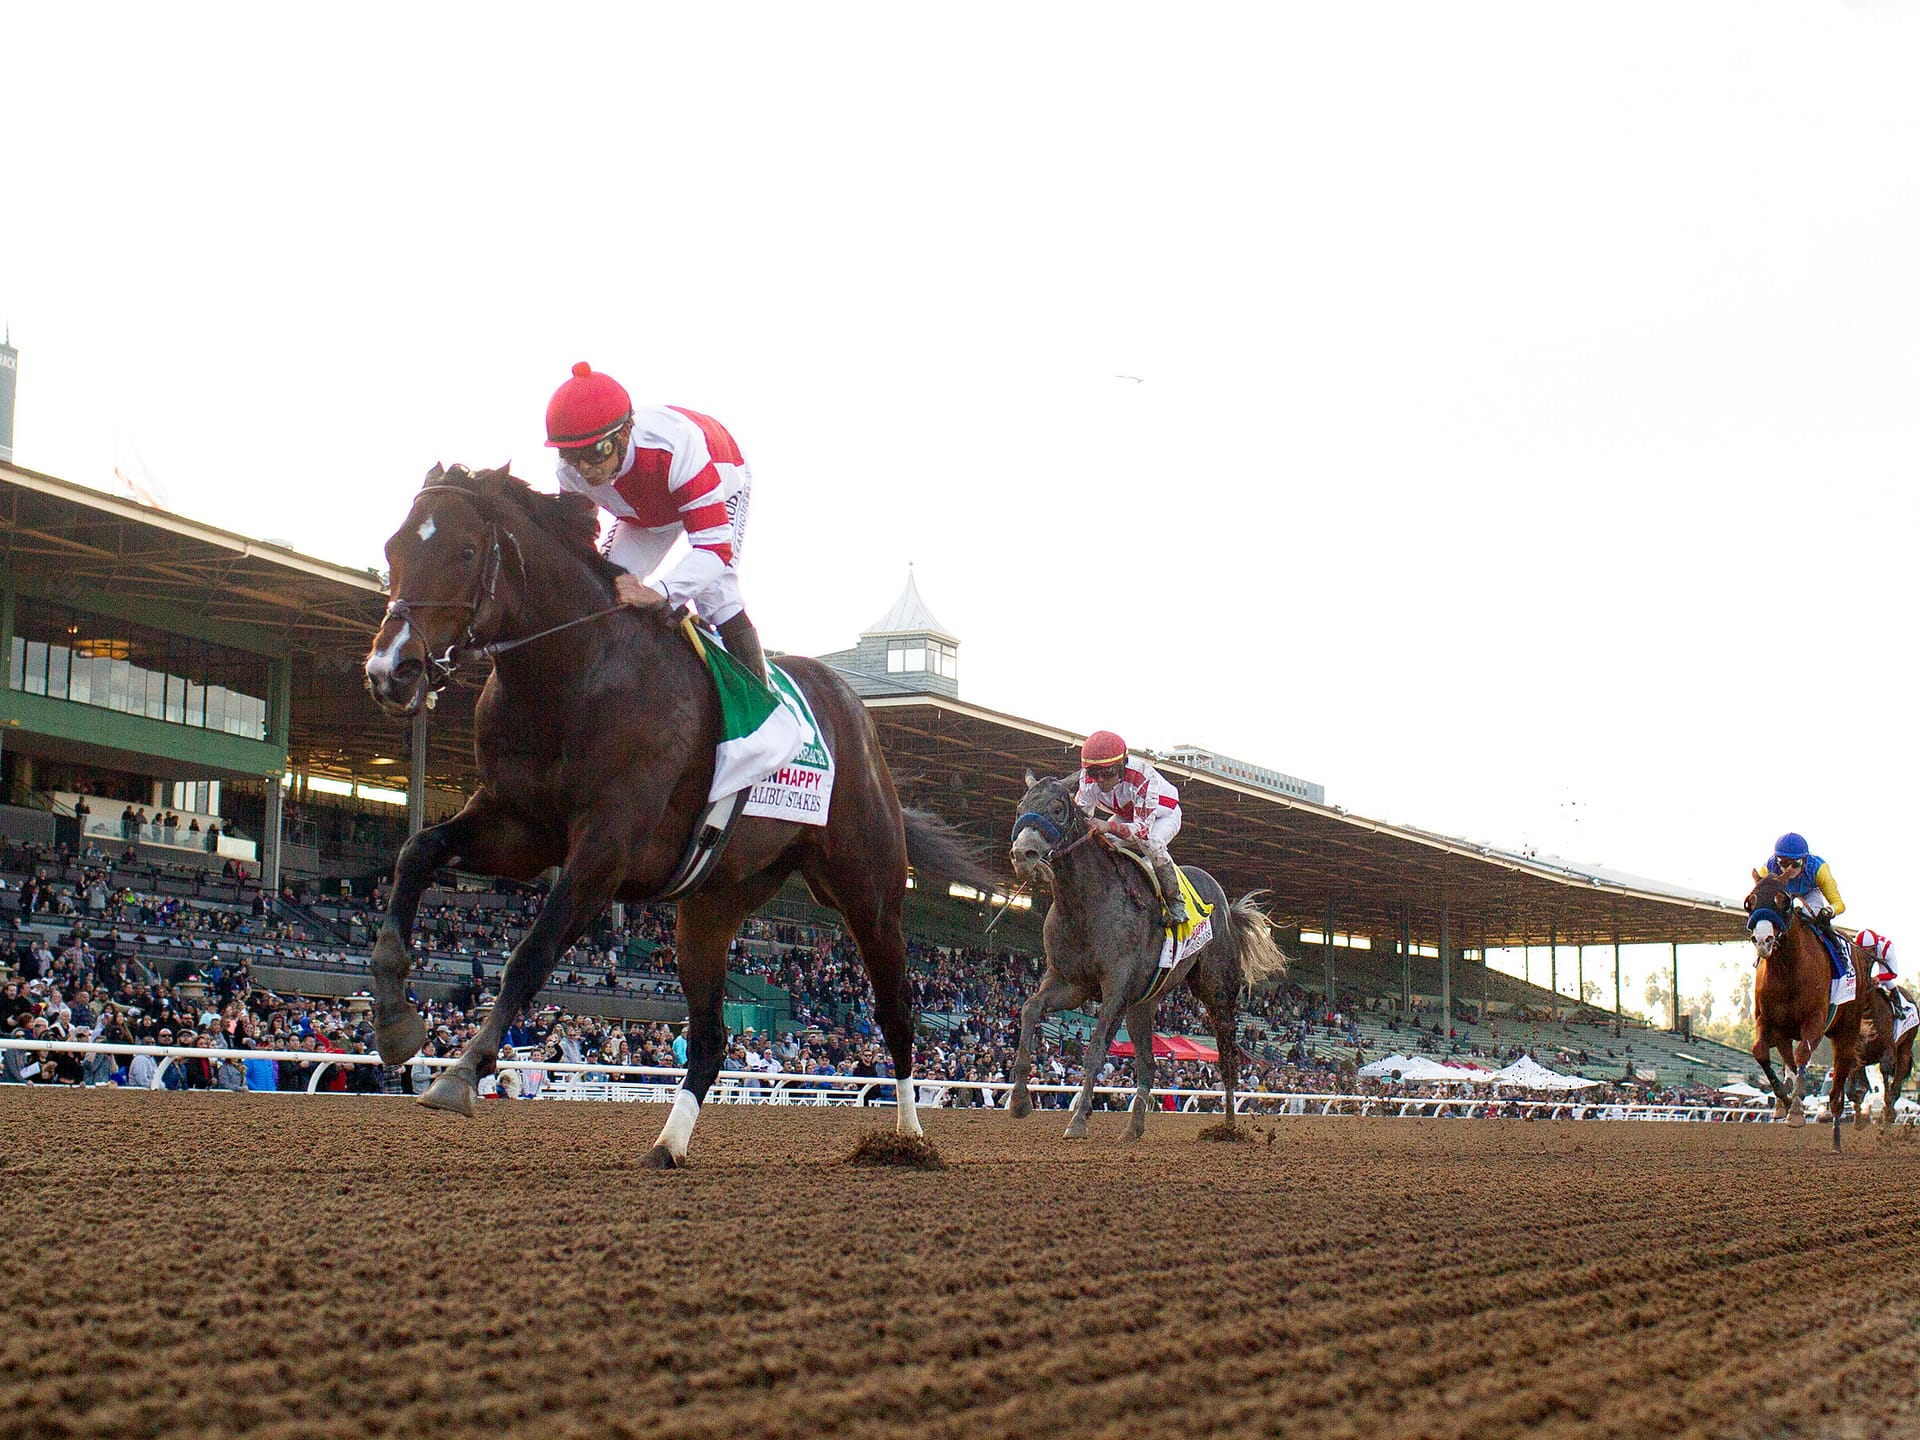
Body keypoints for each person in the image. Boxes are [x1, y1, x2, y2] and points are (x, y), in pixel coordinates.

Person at [543, 361, 769, 684]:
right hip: (646, 514)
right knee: (608, 588)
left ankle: (765, 709)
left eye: (597, 451)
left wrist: (661, 593)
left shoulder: (678, 448)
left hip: (719, 476)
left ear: (624, 433)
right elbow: (578, 537)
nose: (586, 470)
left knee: (716, 597)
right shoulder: (570, 472)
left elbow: (714, 549)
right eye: (570, 454)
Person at [1074, 731, 1188, 927]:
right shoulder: (1087, 780)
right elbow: (1080, 817)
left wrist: (1108, 825)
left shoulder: (1143, 777)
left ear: (1122, 766)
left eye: (1107, 773)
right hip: (1126, 814)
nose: (1100, 779)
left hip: (1162, 815)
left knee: (1151, 844)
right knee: (1097, 843)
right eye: (1094, 773)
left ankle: (1175, 902)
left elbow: (1142, 829)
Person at [1764, 833, 1844, 941]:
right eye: (1784, 863)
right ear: (1776, 860)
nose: (1789, 869)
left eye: (1795, 863)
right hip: (1783, 892)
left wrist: (1829, 911)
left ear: (1805, 859)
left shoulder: (1819, 869)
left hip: (1810, 892)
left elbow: (1839, 904)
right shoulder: (1768, 868)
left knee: (1810, 916)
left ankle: (1839, 950)